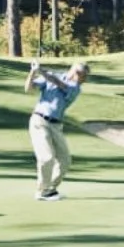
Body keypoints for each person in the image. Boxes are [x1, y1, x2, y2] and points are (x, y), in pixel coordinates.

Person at [24, 60, 89, 201]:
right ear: (76, 73)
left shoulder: (75, 87)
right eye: (84, 76)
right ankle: (42, 191)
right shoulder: (52, 76)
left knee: (65, 160)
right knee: (46, 158)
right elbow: (28, 89)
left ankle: (50, 189)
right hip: (39, 121)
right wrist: (33, 72)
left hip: (56, 126)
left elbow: (60, 84)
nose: (84, 80)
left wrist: (41, 70)